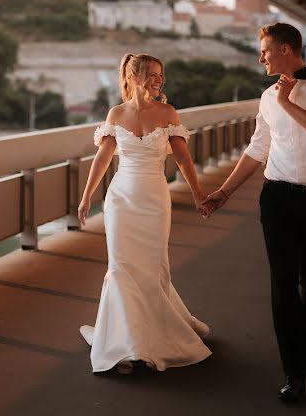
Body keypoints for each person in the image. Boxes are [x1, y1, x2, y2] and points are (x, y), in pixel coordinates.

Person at [203, 23, 306, 403]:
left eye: (265, 50)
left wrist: (289, 103)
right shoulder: (267, 97)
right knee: (283, 284)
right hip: (278, 200)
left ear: (286, 49)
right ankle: (294, 370)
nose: (260, 57)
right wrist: (223, 191)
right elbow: (257, 148)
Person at [77, 53, 212, 375]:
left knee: (153, 267)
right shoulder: (116, 113)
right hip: (121, 200)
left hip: (154, 199)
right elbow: (102, 159)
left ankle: (154, 334)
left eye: (161, 75)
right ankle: (127, 346)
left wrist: (199, 195)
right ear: (135, 77)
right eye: (152, 74)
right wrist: (86, 199)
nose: (159, 80)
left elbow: (182, 159)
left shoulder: (168, 113)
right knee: (121, 268)